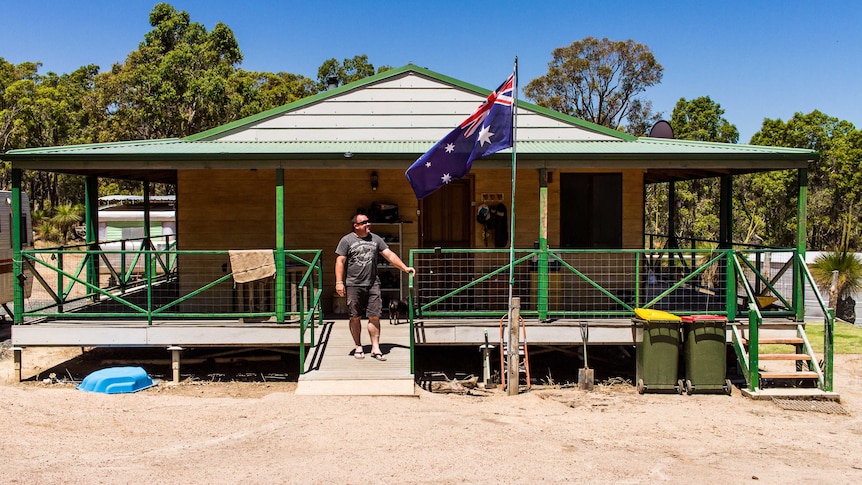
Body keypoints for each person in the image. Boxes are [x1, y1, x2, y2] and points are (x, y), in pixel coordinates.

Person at [335, 214, 415, 361]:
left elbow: (389, 255)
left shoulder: (375, 239)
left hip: (373, 284)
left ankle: (375, 347)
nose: (368, 224)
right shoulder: (347, 240)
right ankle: (358, 347)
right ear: (356, 226)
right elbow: (340, 261)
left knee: (374, 316)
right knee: (355, 317)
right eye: (364, 222)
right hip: (353, 284)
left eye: (368, 221)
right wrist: (339, 282)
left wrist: (405, 268)